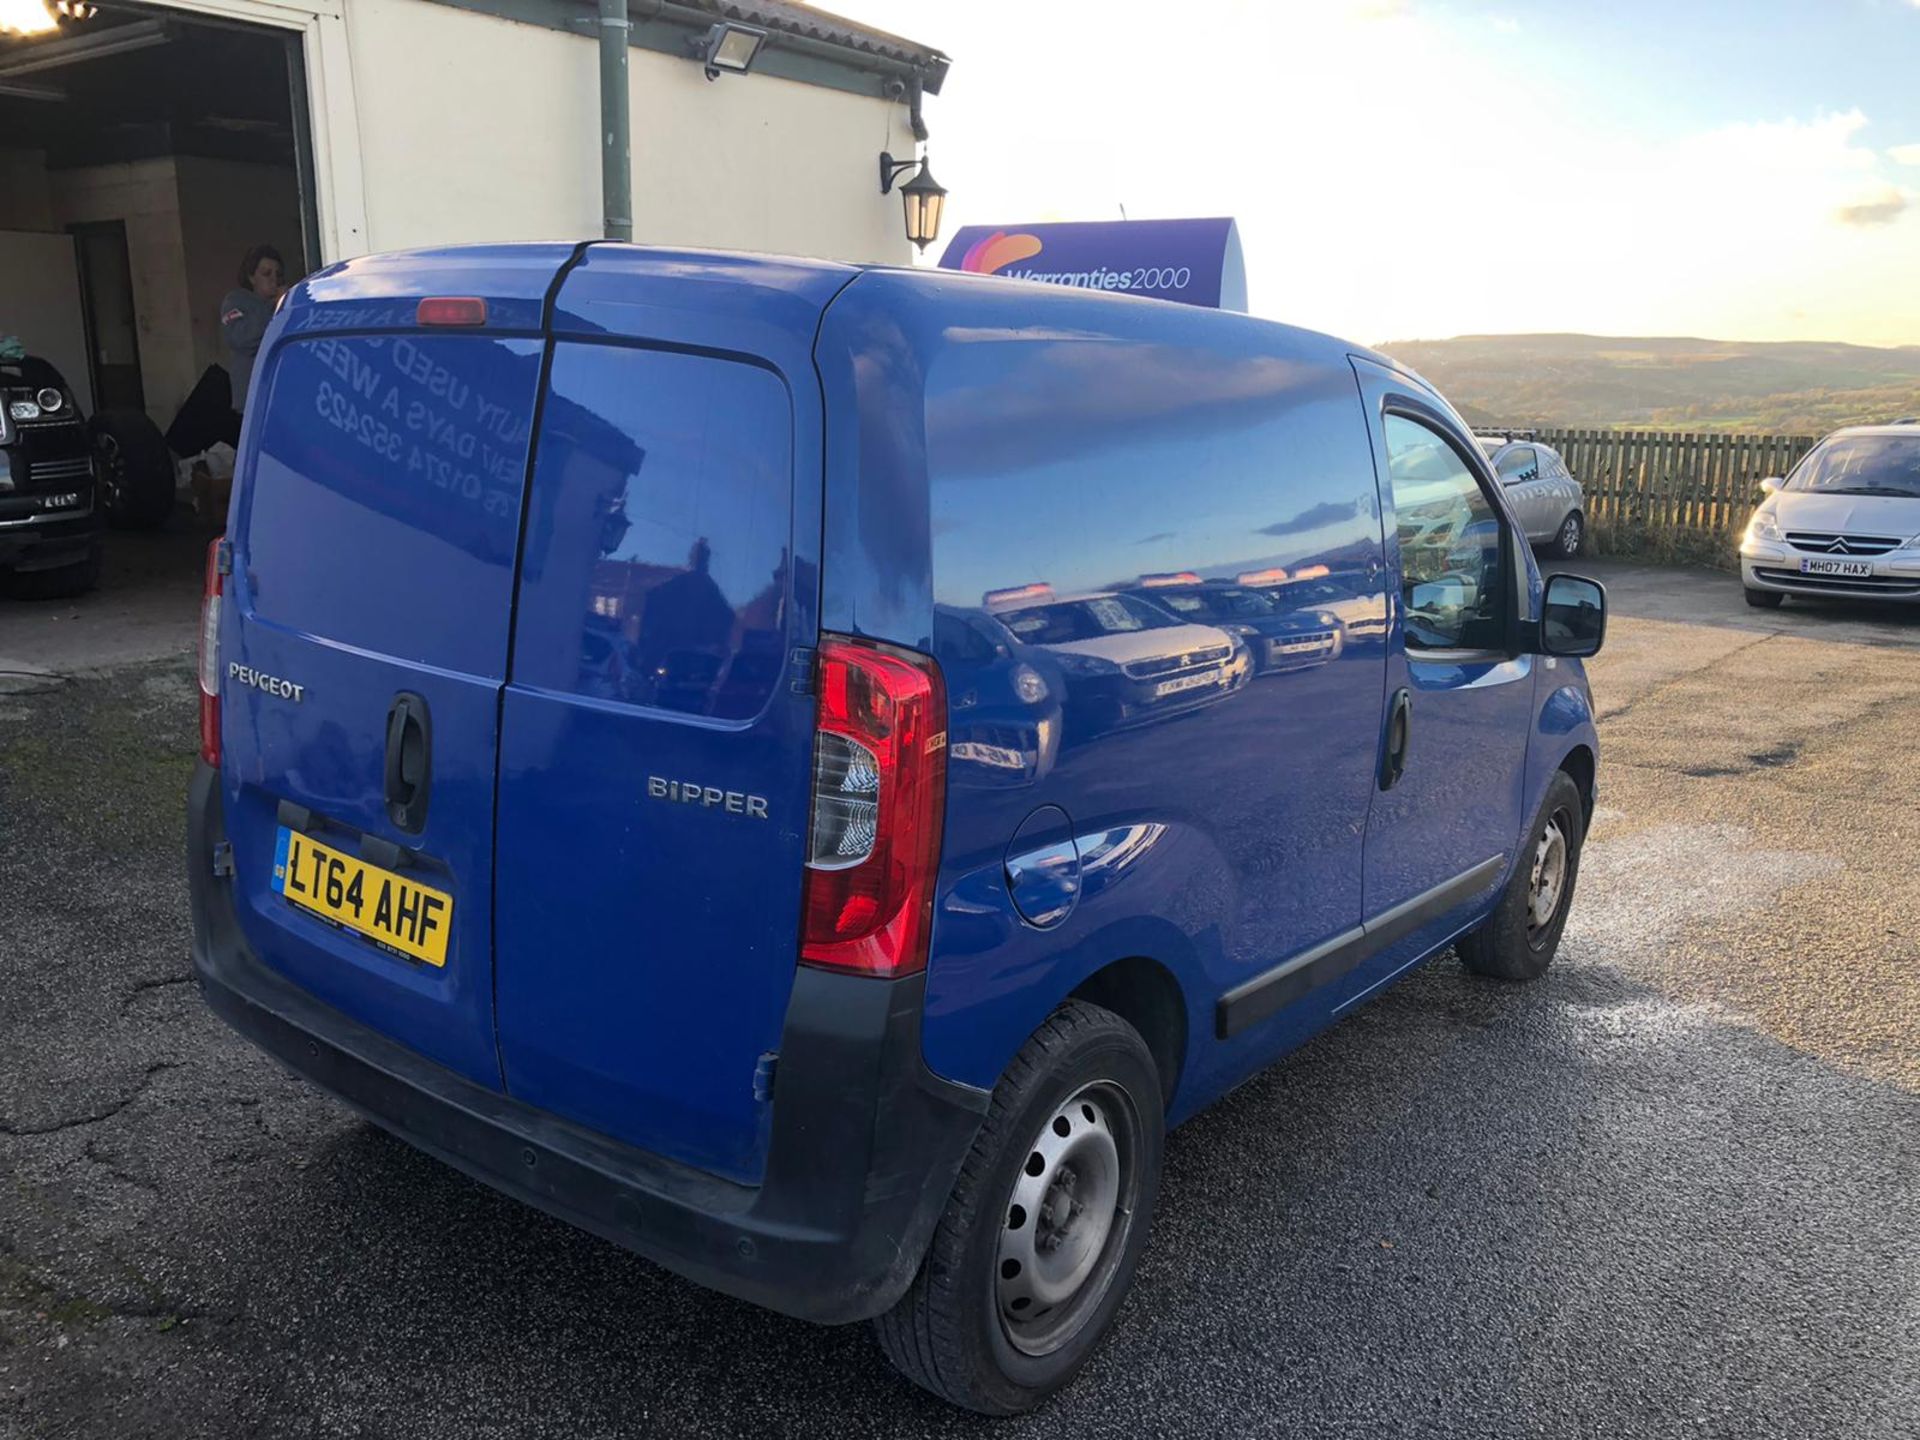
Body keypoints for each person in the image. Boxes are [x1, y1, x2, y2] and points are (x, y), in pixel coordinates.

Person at [220, 244, 285, 416]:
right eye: (266, 274)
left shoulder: (286, 304)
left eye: (277, 274)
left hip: (280, 395)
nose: (273, 280)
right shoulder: (236, 301)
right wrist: (275, 305)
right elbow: (241, 338)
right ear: (251, 277)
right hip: (252, 399)